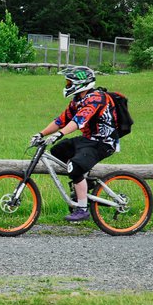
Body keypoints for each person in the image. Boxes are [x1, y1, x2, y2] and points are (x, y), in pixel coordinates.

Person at [31, 66, 118, 222]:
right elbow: (61, 120)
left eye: (69, 83)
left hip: (103, 142)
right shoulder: (77, 100)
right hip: (88, 140)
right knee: (58, 150)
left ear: (81, 83)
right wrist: (41, 134)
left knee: (75, 166)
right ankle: (84, 182)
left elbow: (78, 121)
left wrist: (59, 134)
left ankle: (82, 209)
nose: (67, 86)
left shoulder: (96, 98)